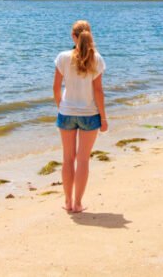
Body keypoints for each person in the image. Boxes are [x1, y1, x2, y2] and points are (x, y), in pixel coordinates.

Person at [52, 19, 107, 214]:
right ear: (90, 35)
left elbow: (56, 88)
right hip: (89, 114)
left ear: (73, 36)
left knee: (68, 159)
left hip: (66, 112)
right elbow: (98, 91)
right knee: (83, 160)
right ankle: (77, 203)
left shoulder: (62, 57)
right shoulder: (97, 59)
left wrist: (62, 107)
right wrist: (104, 118)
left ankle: (67, 202)